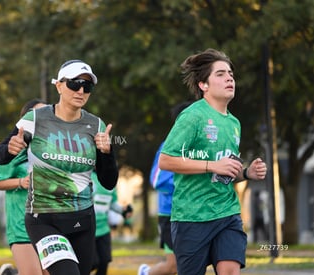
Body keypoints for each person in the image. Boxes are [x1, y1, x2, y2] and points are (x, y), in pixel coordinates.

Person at [0, 59, 118, 275]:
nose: (81, 90)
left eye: (87, 86)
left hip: (82, 219)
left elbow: (109, 182)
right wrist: (10, 149)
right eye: (74, 84)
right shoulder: (35, 119)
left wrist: (107, 154)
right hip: (44, 218)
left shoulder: (95, 125)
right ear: (59, 85)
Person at [158, 48, 267, 275]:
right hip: (192, 217)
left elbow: (224, 171)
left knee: (230, 271)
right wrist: (211, 166)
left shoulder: (234, 123)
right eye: (220, 74)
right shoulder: (192, 116)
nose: (229, 78)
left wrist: (246, 173)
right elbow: (166, 161)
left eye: (230, 74)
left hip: (227, 213)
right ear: (203, 85)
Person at [0, 99, 48, 275]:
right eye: (37, 114)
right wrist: (21, 182)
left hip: (49, 225)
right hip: (21, 226)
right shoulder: (14, 150)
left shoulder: (50, 152)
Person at [138, 102, 192, 275]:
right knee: (175, 266)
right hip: (171, 214)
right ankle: (145, 273)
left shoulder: (200, 148)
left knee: (190, 264)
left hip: (195, 214)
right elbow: (157, 180)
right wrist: (188, 187)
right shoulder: (168, 146)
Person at [91, 171, 132, 275]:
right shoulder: (88, 176)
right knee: (93, 263)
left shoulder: (110, 181)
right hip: (89, 229)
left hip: (104, 229)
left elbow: (112, 203)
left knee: (104, 261)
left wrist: (124, 211)